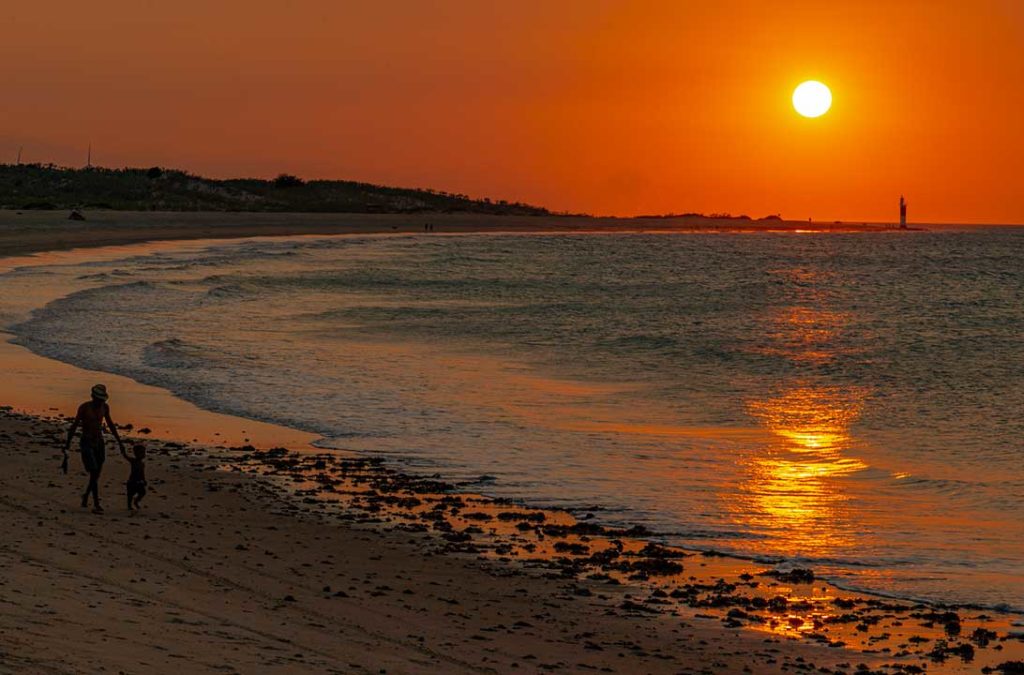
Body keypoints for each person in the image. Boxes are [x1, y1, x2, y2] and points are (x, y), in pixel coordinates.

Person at [63, 384, 125, 513]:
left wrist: (119, 442)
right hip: (86, 442)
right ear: (93, 397)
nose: (100, 401)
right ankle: (96, 502)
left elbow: (110, 424)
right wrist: (67, 445)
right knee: (94, 471)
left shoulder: (105, 407)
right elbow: (74, 426)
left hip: (99, 442)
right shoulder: (84, 408)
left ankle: (86, 496)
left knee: (96, 474)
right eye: (99, 399)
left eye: (102, 399)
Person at [121, 443, 147, 511]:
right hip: (132, 481)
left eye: (144, 452)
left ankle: (136, 501)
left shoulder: (142, 464)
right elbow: (126, 456)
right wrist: (123, 451)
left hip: (139, 481)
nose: (143, 454)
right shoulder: (133, 461)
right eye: (141, 452)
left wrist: (144, 480)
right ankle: (129, 506)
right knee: (130, 494)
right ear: (136, 453)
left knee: (142, 492)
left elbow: (142, 473)